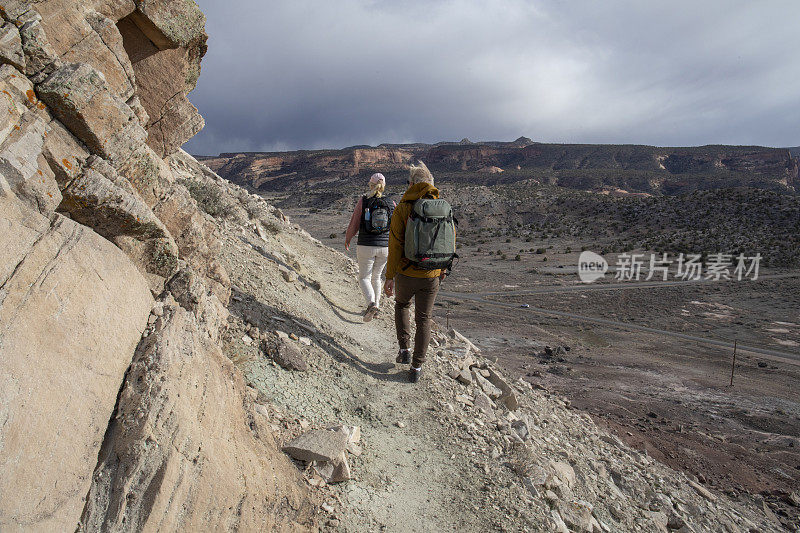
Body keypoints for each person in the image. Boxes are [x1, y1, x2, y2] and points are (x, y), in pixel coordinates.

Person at [384, 161, 448, 383]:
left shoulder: (402, 208)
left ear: (411, 184)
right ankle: (416, 368)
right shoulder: (442, 207)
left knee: (402, 305)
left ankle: (404, 350)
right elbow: (450, 240)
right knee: (424, 319)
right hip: (432, 275)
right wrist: (442, 268)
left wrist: (389, 276)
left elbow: (394, 246)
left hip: (407, 272)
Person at [345, 173, 395, 322]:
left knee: (364, 277)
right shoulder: (391, 203)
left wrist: (348, 238)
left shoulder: (364, 201)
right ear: (384, 186)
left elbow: (354, 223)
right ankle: (376, 308)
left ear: (370, 185)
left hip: (366, 245)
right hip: (385, 247)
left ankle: (371, 304)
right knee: (377, 277)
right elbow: (396, 227)